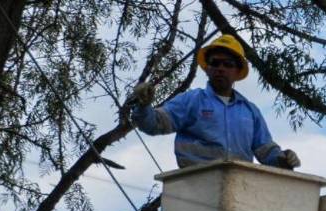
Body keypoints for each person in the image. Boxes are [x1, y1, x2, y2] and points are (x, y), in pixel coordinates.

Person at [128, 34, 300, 170]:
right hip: (196, 183)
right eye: (215, 63)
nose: (220, 68)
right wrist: (144, 105)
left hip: (238, 187)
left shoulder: (250, 111)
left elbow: (266, 152)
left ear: (237, 71)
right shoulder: (191, 101)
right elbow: (154, 124)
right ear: (207, 68)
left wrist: (284, 159)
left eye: (227, 64)